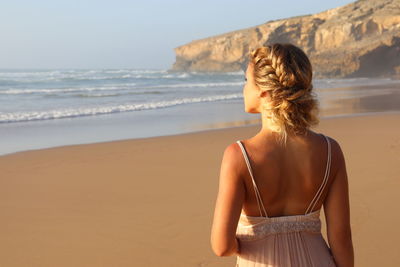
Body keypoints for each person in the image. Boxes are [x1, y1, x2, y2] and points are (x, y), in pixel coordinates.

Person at [210, 43, 354, 266]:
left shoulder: (240, 156)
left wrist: (254, 243)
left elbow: (221, 246)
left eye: (247, 81)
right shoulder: (330, 150)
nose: (244, 88)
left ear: (263, 90)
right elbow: (341, 239)